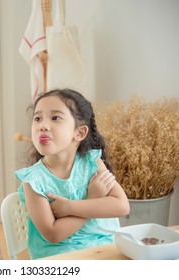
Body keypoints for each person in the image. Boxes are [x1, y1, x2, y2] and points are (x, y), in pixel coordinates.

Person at [15, 89, 129, 259]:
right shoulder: (33, 180)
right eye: (37, 118)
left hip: (103, 246)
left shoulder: (92, 162)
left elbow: (121, 206)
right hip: (59, 255)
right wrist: (92, 200)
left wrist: (70, 207)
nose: (42, 125)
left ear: (80, 133)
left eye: (55, 118)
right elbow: (53, 234)